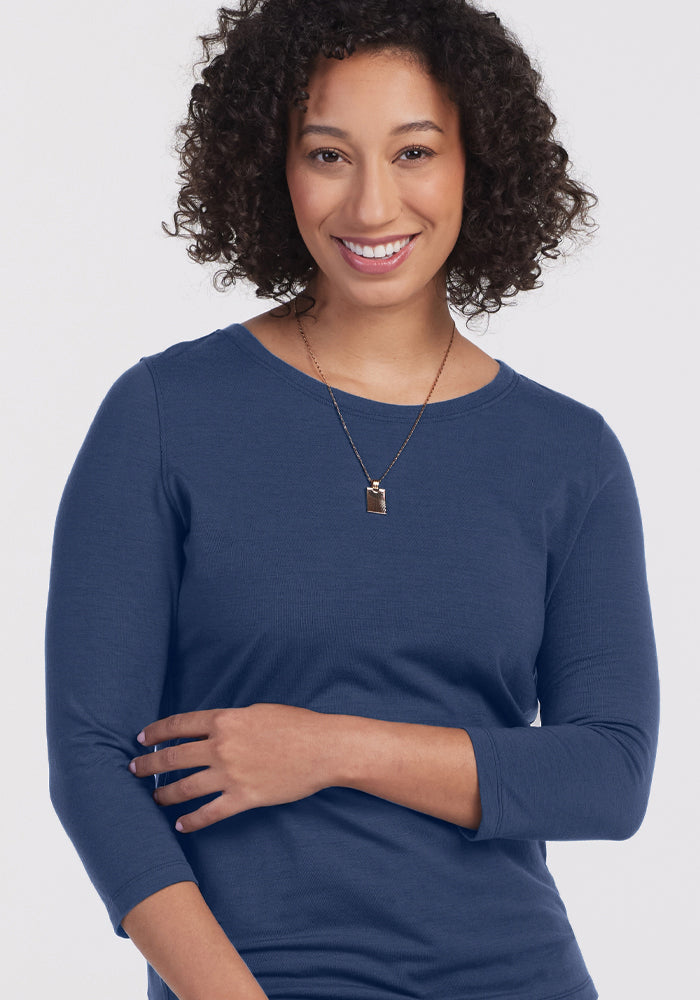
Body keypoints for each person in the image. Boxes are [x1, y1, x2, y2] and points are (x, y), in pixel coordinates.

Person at [44, 1, 660, 999]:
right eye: (328, 154)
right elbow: (92, 759)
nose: (372, 205)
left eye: (414, 150)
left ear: (477, 164)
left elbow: (608, 774)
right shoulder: (166, 413)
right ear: (269, 166)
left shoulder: (568, 453)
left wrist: (328, 748)